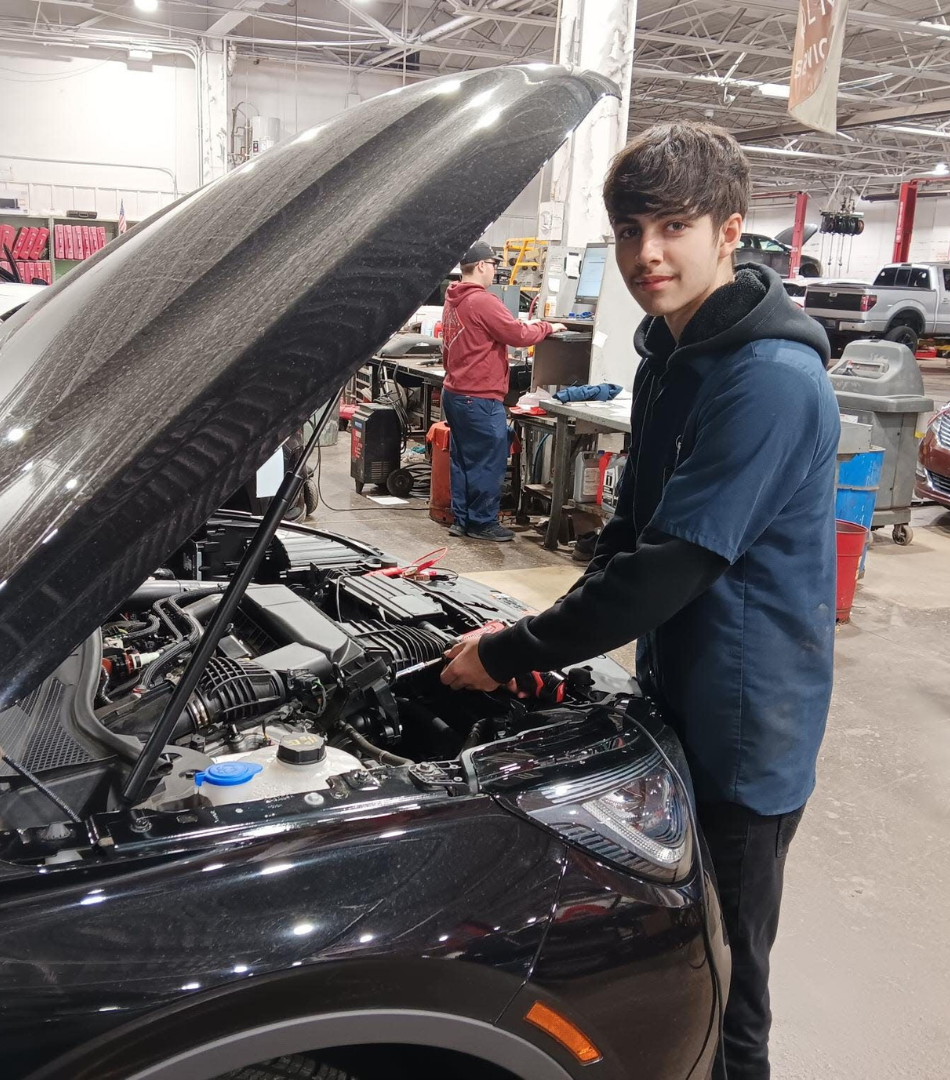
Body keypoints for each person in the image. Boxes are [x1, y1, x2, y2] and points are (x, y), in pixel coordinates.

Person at [441, 123, 839, 1080]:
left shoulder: (771, 382)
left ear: (730, 230)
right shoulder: (671, 351)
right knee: (678, 957)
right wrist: (542, 629)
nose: (646, 255)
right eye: (629, 231)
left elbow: (668, 569)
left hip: (746, 727)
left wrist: (513, 653)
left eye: (673, 227)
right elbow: (627, 537)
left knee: (733, 982)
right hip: (676, 689)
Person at [441, 240, 565, 542]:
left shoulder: (453, 298)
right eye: (494, 265)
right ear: (482, 265)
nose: (495, 271)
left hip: (455, 393)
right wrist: (548, 327)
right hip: (479, 397)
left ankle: (463, 520)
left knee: (463, 460)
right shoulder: (482, 300)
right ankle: (483, 523)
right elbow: (518, 334)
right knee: (488, 460)